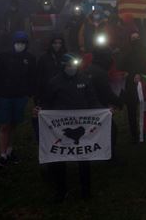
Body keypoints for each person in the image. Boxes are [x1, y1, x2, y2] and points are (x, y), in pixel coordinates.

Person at [36, 53, 101, 202]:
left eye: (74, 65)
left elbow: (93, 100)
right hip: (61, 129)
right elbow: (46, 102)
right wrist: (40, 111)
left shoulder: (84, 80)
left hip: (82, 126)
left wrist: (104, 111)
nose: (72, 68)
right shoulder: (54, 82)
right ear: (63, 66)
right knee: (60, 158)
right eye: (69, 66)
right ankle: (61, 191)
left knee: (84, 157)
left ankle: (86, 191)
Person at [0, 31, 37, 169]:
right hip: (4, 96)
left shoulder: (30, 58)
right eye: (17, 42)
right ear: (13, 43)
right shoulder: (4, 56)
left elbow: (33, 77)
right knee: (5, 125)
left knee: (14, 124)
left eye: (22, 42)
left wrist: (31, 94)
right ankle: (2, 155)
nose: (20, 45)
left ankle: (10, 150)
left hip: (20, 97)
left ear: (26, 44)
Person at [33, 34, 67, 141]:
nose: (57, 45)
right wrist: (37, 96)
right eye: (55, 43)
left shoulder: (66, 57)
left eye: (59, 43)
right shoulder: (44, 58)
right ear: (51, 44)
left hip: (63, 93)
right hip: (47, 93)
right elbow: (38, 77)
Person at [119, 30, 146, 143]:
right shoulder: (127, 51)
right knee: (132, 110)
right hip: (131, 84)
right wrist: (131, 74)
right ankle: (134, 134)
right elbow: (122, 66)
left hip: (144, 83)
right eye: (133, 38)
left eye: (137, 38)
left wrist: (140, 74)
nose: (136, 40)